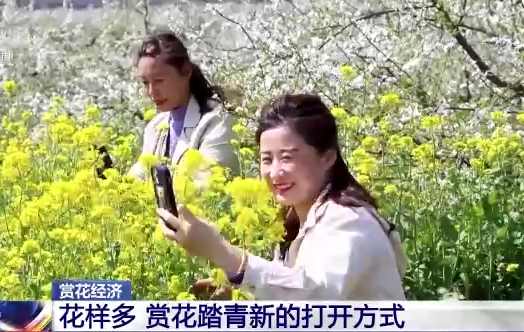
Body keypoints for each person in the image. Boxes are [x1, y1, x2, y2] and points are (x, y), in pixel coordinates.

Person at [156, 93, 408, 300]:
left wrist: (222, 252)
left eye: (288, 157)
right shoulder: (295, 220)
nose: (275, 173)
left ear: (327, 157)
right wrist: (237, 294)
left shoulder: (350, 221)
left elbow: (316, 298)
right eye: (267, 159)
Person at [128, 31, 241, 182]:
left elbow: (209, 185)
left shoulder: (218, 121)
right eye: (145, 82)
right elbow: (138, 178)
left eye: (159, 80)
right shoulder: (155, 127)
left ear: (186, 71)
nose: (151, 92)